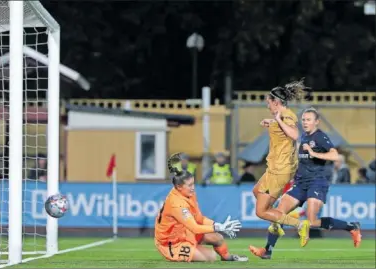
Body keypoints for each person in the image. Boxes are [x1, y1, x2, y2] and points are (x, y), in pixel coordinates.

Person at [249, 108, 362, 259]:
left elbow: (335, 155)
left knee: (312, 220)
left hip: (316, 182)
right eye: (303, 119)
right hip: (300, 183)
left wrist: (314, 153)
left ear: (317, 122)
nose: (305, 122)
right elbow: (289, 131)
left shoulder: (320, 137)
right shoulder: (302, 136)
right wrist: (274, 122)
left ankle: (351, 227)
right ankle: (267, 251)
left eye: (308, 119)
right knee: (278, 214)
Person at [154, 153, 248, 262]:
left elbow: (199, 219)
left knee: (218, 238)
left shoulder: (189, 194)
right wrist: (219, 228)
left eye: (193, 184)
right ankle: (189, 251)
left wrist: (217, 225)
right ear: (179, 187)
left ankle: (228, 258)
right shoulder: (177, 203)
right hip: (170, 243)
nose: (193, 188)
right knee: (210, 257)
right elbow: (194, 228)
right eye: (189, 185)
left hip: (184, 233)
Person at [251, 79, 311, 247]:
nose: (268, 107)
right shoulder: (281, 117)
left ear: (276, 102)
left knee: (261, 211)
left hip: (279, 170)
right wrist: (272, 122)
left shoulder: (285, 116)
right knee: (256, 191)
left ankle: (299, 224)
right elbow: (283, 128)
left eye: (269, 104)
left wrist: (278, 119)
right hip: (275, 168)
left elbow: (294, 134)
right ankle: (277, 223)